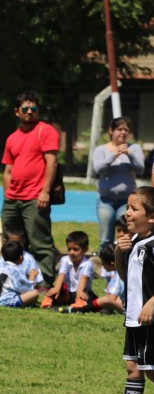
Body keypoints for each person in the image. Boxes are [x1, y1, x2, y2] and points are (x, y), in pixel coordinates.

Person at [101, 186, 154, 394]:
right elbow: (124, 276)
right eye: (127, 208)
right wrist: (120, 253)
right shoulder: (133, 241)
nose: (127, 214)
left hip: (149, 318)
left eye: (134, 209)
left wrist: (152, 302)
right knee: (133, 367)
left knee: (151, 370)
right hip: (133, 316)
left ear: (151, 217)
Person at [0, 91, 59, 285]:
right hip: (12, 199)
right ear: (17, 112)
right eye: (25, 109)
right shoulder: (12, 138)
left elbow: (52, 163)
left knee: (40, 243)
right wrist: (8, 194)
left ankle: (45, 285)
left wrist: (45, 191)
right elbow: (8, 169)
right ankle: (13, 280)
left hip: (35, 197)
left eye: (33, 108)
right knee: (11, 242)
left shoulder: (46, 131)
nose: (29, 112)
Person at [92, 117, 144, 251]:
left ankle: (124, 266)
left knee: (127, 236)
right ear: (111, 131)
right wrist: (113, 155)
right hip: (105, 200)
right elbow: (97, 169)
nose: (123, 132)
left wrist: (130, 155)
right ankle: (105, 267)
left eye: (126, 129)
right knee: (106, 239)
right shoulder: (101, 150)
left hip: (126, 202)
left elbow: (140, 169)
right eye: (119, 129)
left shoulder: (134, 148)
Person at [41, 231, 95, 311]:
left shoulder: (87, 264)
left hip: (81, 290)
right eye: (69, 249)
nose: (71, 252)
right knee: (59, 288)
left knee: (87, 295)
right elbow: (61, 274)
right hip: (68, 294)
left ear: (85, 249)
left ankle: (80, 303)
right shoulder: (65, 259)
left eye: (75, 249)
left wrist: (79, 291)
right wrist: (57, 287)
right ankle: (49, 300)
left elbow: (84, 278)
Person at [0, 241, 40, 308]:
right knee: (35, 293)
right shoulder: (15, 271)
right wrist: (32, 277)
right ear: (21, 258)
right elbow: (27, 289)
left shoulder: (1, 268)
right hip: (3, 302)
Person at [0, 221, 44, 287]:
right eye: (12, 243)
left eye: (18, 242)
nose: (16, 245)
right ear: (5, 242)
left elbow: (37, 281)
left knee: (34, 293)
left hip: (23, 290)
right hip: (7, 291)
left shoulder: (29, 259)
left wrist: (31, 279)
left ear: (23, 242)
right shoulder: (1, 259)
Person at [91, 244, 124, 315]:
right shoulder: (121, 270)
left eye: (103, 264)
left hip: (130, 307)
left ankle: (77, 309)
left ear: (112, 264)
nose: (102, 266)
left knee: (105, 300)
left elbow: (110, 298)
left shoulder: (119, 274)